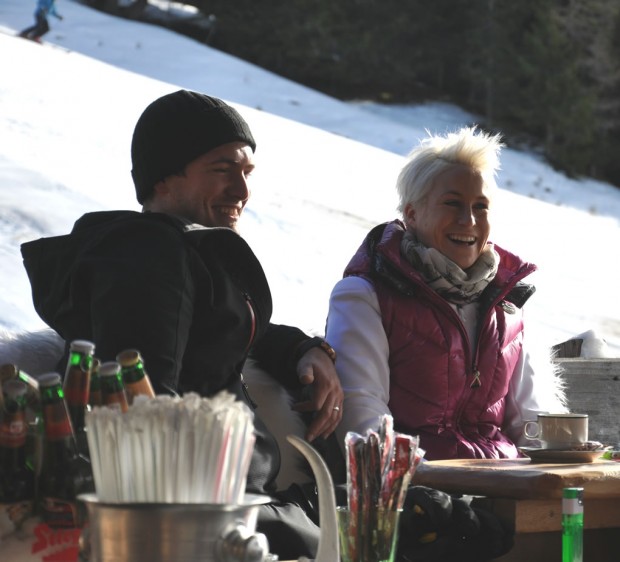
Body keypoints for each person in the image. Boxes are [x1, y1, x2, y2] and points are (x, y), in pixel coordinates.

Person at [20, 89, 344, 559]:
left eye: (246, 172)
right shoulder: (147, 255)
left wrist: (300, 350)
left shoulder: (175, 251)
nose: (242, 190)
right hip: (206, 520)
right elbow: (146, 403)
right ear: (165, 177)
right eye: (222, 170)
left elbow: (218, 331)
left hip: (242, 501)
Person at [326, 126, 566, 462]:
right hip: (422, 496)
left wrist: (564, 463)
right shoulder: (365, 296)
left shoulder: (507, 306)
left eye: (480, 207)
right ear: (411, 213)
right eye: (452, 204)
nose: (468, 220)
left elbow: (533, 422)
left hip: (504, 488)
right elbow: (363, 418)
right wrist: (428, 486)